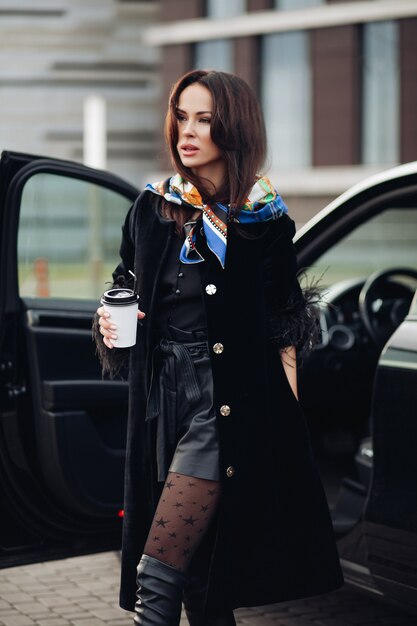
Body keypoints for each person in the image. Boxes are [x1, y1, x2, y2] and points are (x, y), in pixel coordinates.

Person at [94, 69, 343, 626]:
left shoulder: (266, 223)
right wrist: (111, 322)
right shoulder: (152, 209)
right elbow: (124, 282)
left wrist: (281, 425)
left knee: (157, 573)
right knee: (201, 580)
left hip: (225, 402)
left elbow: (284, 328)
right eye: (182, 116)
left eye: (205, 119)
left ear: (234, 127)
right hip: (164, 399)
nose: (188, 131)